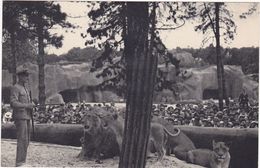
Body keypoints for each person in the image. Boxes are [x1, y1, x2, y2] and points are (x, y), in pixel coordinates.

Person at [10, 68, 35, 167]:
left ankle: (22, 161)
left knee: (27, 139)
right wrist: (27, 105)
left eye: (27, 76)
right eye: (25, 75)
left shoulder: (25, 88)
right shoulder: (15, 88)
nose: (27, 77)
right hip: (20, 117)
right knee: (22, 139)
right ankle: (19, 162)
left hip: (27, 116)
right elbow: (13, 103)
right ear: (20, 76)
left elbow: (26, 102)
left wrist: (31, 105)